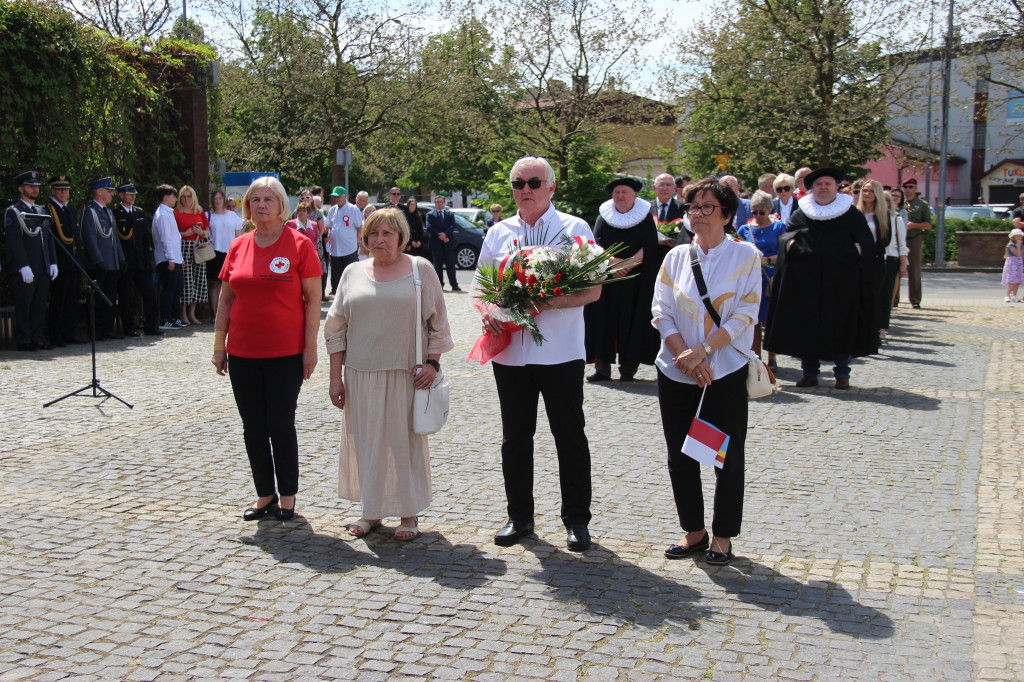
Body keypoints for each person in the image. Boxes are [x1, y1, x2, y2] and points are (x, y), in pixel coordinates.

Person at [476, 156, 603, 552]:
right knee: (515, 438)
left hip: (561, 352)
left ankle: (577, 520)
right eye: (518, 183)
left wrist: (543, 304)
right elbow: (481, 288)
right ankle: (519, 517)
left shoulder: (574, 228)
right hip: (511, 354)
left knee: (569, 435)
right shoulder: (498, 232)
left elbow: (593, 290)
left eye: (534, 182)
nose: (525, 189)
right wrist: (488, 313)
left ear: (551, 187)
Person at [324, 208, 453, 541]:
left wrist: (432, 363)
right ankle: (372, 511)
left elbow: (438, 323)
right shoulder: (352, 272)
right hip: (360, 373)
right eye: (373, 234)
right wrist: (335, 377)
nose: (379, 240)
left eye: (387, 234)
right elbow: (336, 327)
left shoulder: (419, 269)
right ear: (364, 238)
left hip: (405, 374)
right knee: (367, 443)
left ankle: (408, 513)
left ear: (401, 238)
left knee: (403, 444)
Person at [653, 177, 761, 566]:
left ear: (727, 214)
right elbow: (661, 311)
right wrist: (684, 354)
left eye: (706, 207)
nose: (696, 215)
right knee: (680, 454)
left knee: (724, 455)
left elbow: (746, 313)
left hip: (724, 370)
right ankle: (693, 531)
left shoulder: (745, 255)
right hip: (677, 368)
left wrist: (704, 352)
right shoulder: (676, 257)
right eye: (691, 207)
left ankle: (722, 536)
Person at [212, 176, 322, 522]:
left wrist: (309, 348)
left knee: (280, 423)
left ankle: (288, 494)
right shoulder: (238, 245)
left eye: (268, 199)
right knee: (253, 426)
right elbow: (226, 299)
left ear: (281, 206)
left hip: (285, 352)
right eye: (255, 199)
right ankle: (265, 494)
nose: (261, 205)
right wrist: (219, 346)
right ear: (247, 206)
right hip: (243, 351)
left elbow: (313, 300)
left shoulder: (300, 244)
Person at [765, 167, 879, 389]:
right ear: (812, 188)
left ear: (836, 186)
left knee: (842, 327)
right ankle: (809, 373)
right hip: (807, 284)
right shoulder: (802, 212)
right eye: (818, 184)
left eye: (827, 184)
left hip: (843, 284)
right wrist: (790, 245)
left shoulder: (851, 213)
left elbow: (866, 242)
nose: (823, 188)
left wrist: (852, 251)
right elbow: (788, 235)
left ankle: (842, 374)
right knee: (808, 328)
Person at [584, 176, 660, 382]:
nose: (620, 196)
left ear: (634, 195)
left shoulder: (644, 218)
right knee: (602, 321)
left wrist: (628, 264)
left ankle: (628, 369)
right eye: (616, 192)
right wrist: (613, 264)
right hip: (608, 279)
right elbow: (595, 244)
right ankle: (602, 368)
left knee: (633, 321)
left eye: (624, 192)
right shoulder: (603, 217)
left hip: (636, 279)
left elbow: (651, 246)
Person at [4, 171, 57, 350]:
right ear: (21, 189)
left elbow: (48, 239)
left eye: (36, 187)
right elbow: (15, 241)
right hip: (26, 268)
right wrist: (23, 265)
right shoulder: (15, 212)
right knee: (24, 305)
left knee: (39, 305)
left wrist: (52, 261)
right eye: (30, 186)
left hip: (41, 266)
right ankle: (24, 339)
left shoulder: (41, 211)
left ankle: (36, 337)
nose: (35, 189)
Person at [737, 190, 786, 368]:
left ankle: (772, 357)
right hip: (752, 277)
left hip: (771, 278)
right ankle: (755, 358)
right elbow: (740, 251)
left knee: (770, 320)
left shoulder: (779, 227)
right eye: (754, 212)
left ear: (769, 210)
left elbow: (784, 252)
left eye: (761, 212)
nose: (757, 216)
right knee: (753, 321)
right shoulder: (745, 229)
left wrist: (767, 259)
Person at [79, 176, 126, 340]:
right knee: (97, 300)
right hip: (98, 265)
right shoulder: (90, 211)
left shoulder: (107, 212)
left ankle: (108, 328)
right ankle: (96, 330)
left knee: (111, 299)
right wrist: (98, 260)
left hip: (111, 263)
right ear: (99, 192)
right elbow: (90, 238)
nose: (111, 194)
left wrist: (120, 258)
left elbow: (115, 239)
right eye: (108, 191)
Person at [112, 182, 161, 337]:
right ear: (121, 195)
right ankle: (129, 327)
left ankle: (151, 325)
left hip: (141, 261)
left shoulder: (138, 213)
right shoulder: (116, 213)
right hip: (127, 261)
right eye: (129, 194)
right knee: (126, 296)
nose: (133, 197)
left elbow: (145, 238)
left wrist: (149, 258)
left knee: (150, 294)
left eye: (134, 194)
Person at [45, 174, 84, 345]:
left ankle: (70, 332)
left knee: (72, 300)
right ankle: (56, 334)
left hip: (73, 261)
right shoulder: (49, 209)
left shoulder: (69, 209)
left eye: (65, 190)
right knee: (58, 300)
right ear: (53, 191)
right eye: (59, 190)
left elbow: (74, 237)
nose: (63, 193)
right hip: (60, 261)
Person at [854, 180, 892, 341]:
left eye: (870, 191)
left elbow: (886, 239)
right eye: (865, 190)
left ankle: (875, 330)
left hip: (875, 261)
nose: (867, 193)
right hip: (857, 261)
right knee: (857, 297)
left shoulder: (883, 215)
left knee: (875, 297)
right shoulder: (855, 214)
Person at [174, 185, 209, 325]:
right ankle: (183, 314)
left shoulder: (199, 211)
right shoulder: (176, 213)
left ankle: (192, 313)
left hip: (199, 246)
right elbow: (173, 234)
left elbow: (207, 231)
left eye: (189, 196)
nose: (186, 199)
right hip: (183, 247)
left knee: (198, 279)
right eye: (183, 196)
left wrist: (201, 233)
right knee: (186, 280)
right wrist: (186, 234)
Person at [207, 190, 243, 321]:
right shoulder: (209, 216)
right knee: (214, 284)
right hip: (214, 251)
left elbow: (239, 236)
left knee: (228, 284)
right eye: (215, 199)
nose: (217, 201)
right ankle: (215, 313)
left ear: (223, 199)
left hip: (230, 252)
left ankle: (227, 312)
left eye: (220, 198)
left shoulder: (232, 216)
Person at [152, 185, 185, 329]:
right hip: (167, 259)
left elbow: (174, 238)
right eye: (173, 196)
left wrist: (179, 258)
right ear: (165, 197)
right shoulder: (163, 214)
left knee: (178, 288)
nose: (176, 199)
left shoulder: (169, 213)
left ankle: (174, 316)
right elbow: (166, 238)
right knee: (169, 289)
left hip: (175, 258)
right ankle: (166, 318)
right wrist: (171, 258)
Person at [879, 190, 908, 334]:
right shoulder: (869, 218)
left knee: (886, 294)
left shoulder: (896, 219)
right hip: (873, 260)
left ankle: (882, 326)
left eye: (887, 201)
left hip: (891, 259)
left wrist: (903, 264)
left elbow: (902, 244)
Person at [325, 186, 362, 296]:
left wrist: (356, 240)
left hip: (349, 248)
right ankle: (336, 293)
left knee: (350, 272)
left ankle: (352, 293)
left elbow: (359, 227)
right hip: (336, 249)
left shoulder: (353, 209)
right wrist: (329, 236)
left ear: (345, 196)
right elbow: (328, 226)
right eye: (334, 197)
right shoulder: (332, 210)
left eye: (338, 197)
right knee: (336, 274)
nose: (336, 199)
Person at [902, 178, 931, 309]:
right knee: (896, 269)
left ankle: (915, 299)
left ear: (916, 188)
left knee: (914, 270)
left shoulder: (922, 204)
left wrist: (914, 225)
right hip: (898, 239)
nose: (908, 189)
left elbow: (928, 224)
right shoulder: (897, 202)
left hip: (914, 238)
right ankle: (893, 299)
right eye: (906, 186)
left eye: (911, 186)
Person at [426, 195, 460, 291]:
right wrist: (440, 235)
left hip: (448, 242)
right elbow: (429, 226)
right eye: (437, 202)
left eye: (441, 201)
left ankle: (454, 284)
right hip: (436, 243)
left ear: (444, 203)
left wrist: (445, 234)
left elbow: (453, 225)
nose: (439, 203)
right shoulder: (430, 214)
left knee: (451, 265)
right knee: (438, 265)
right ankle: (439, 285)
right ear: (435, 203)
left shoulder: (449, 214)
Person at [1002, 229, 1024, 302]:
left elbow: (1021, 255)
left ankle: (1014, 295)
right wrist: (1018, 245)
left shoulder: (1021, 245)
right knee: (1012, 280)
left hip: (1019, 264)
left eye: (1020, 236)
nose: (1019, 238)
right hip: (1012, 264)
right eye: (1017, 236)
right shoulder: (1011, 245)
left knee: (1017, 281)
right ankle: (1007, 295)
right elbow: (1017, 254)